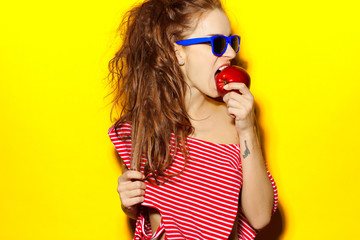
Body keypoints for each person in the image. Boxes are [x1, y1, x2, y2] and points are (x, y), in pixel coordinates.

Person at [107, 0, 278, 239]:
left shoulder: (236, 121)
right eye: (217, 43)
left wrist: (248, 130)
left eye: (231, 42)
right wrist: (129, 203)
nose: (230, 53)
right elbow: (156, 215)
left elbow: (260, 217)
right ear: (178, 52)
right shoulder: (142, 127)